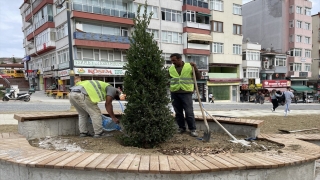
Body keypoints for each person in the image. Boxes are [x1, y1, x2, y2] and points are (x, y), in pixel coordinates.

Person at [169, 53, 201, 137]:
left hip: (186, 92)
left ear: (179, 59)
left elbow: (198, 77)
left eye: (174, 60)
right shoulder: (171, 68)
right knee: (178, 112)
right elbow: (167, 78)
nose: (173, 62)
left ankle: (192, 129)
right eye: (171, 60)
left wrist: (195, 68)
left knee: (189, 112)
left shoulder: (189, 66)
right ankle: (181, 127)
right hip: (174, 92)